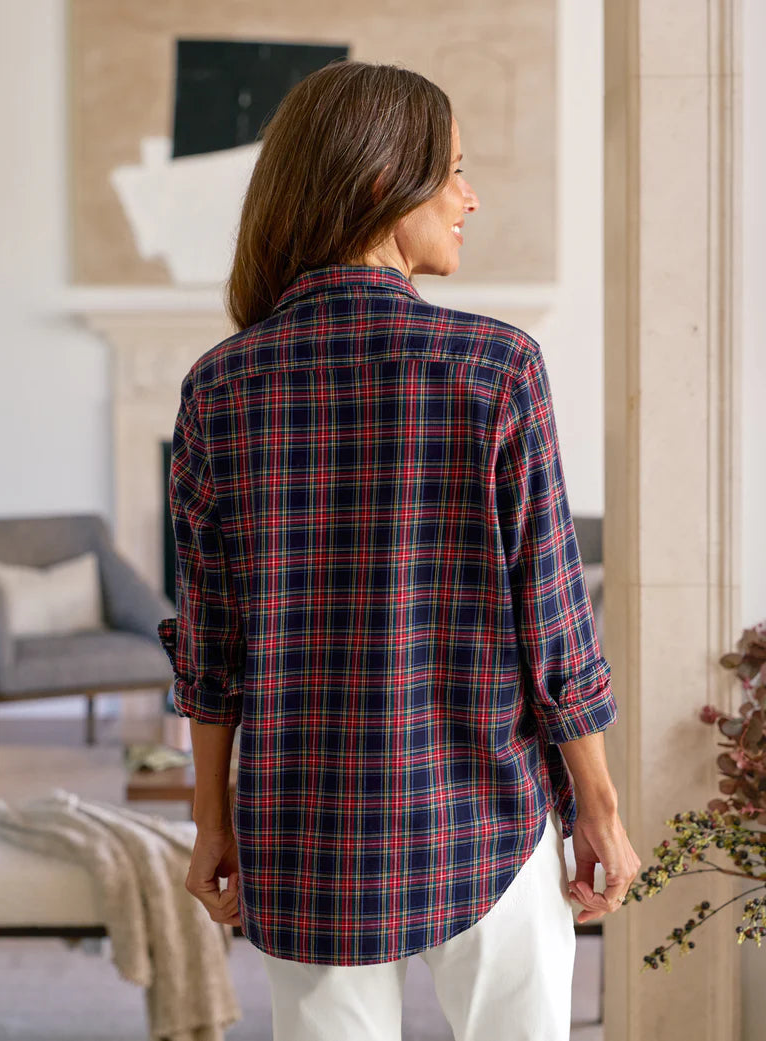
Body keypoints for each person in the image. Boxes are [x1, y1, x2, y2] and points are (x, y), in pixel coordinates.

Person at [158, 59, 641, 1041]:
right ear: (383, 181)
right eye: (453, 171)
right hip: (481, 817)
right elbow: (553, 624)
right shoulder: (496, 368)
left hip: (302, 832)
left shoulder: (218, 388)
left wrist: (212, 819)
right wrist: (597, 806)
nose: (470, 197)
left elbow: (212, 651)